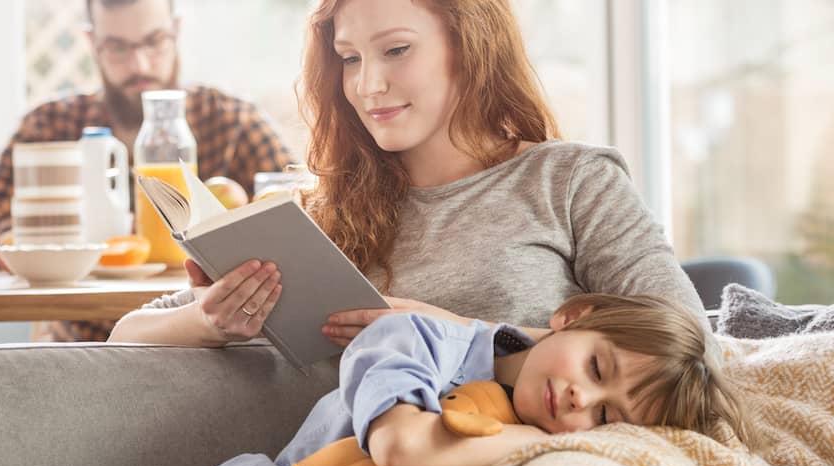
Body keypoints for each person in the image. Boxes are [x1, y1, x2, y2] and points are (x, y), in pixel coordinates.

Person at [107, 0, 705, 348]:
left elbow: (687, 342)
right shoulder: (323, 216)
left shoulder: (571, 180)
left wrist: (460, 333)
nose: (368, 85)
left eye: (396, 50)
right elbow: (127, 335)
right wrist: (211, 319)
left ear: (468, 45)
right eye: (350, 59)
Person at [0, 0, 296, 341]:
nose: (140, 63)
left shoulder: (230, 123)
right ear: (92, 43)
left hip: (210, 350)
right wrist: (60, 240)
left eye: (154, 41)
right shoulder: (52, 126)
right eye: (117, 48)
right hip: (84, 347)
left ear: (176, 32)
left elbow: (305, 211)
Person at [205, 294, 752, 466]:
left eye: (607, 415)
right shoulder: (415, 339)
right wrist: (532, 439)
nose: (579, 398)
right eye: (594, 366)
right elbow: (403, 449)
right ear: (574, 317)